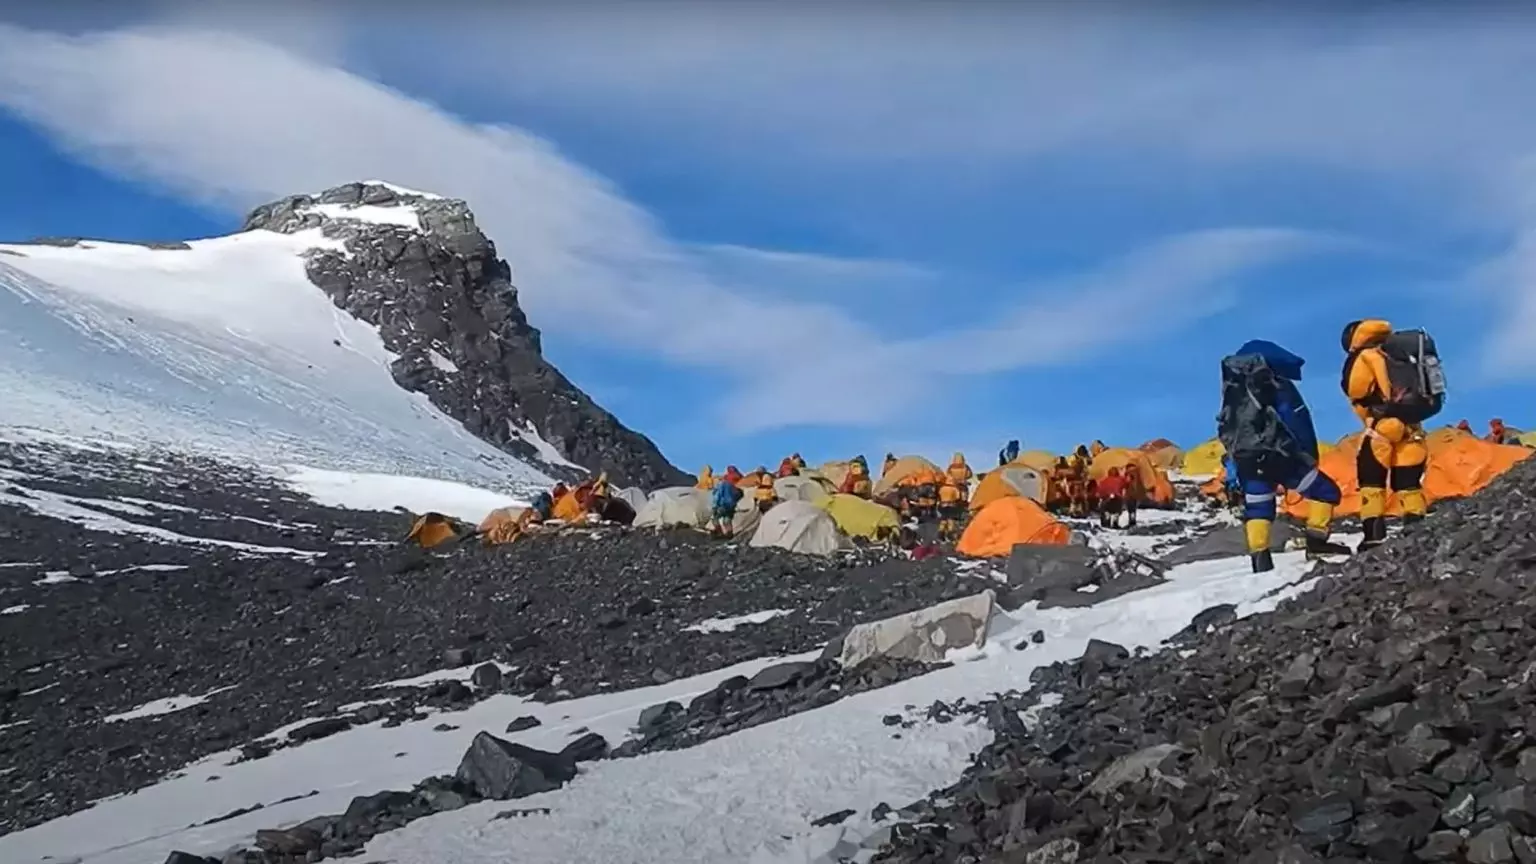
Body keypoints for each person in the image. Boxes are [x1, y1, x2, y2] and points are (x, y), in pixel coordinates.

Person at [1220, 339, 1352, 573]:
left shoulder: (1234, 391)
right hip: (1281, 457)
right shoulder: (1277, 385)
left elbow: (1230, 432)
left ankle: (1260, 560)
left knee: (1259, 508)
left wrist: (1233, 470)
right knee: (1326, 491)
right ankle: (1317, 542)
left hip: (1247, 459)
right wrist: (1308, 455)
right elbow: (1296, 419)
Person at [1341, 320, 1445, 551]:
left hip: (1384, 426)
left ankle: (1374, 534)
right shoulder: (1399, 353)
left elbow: (1355, 389)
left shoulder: (1367, 356)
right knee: (1408, 482)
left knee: (1371, 478)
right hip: (1413, 426)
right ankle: (1416, 527)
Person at [937, 477, 966, 542]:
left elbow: (939, 496)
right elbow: (958, 498)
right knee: (951, 520)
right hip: (952, 505)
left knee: (943, 520)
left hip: (942, 505)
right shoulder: (955, 488)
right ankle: (950, 536)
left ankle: (940, 534)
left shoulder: (942, 488)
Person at [1122, 463, 1145, 527]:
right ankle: (1133, 519)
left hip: (1130, 493)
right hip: (1137, 493)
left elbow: (1127, 482)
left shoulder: (1128, 473)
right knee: (1134, 508)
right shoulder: (1138, 473)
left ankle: (1131, 521)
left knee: (1130, 508)